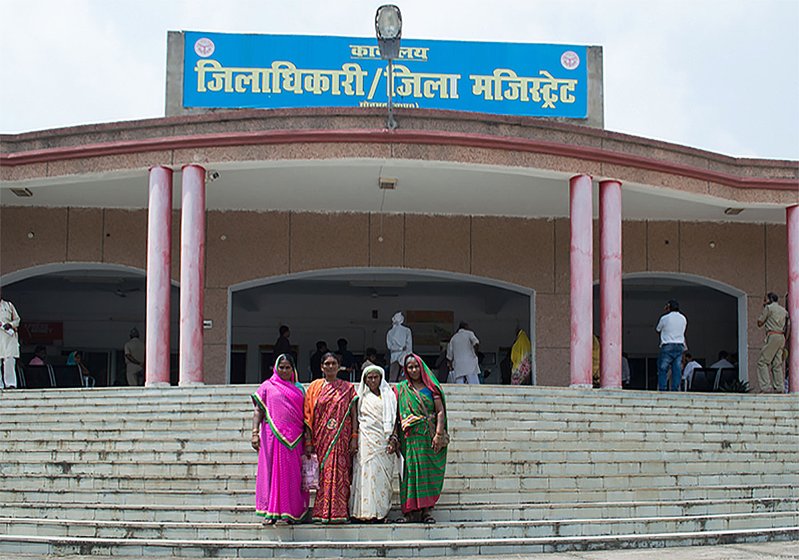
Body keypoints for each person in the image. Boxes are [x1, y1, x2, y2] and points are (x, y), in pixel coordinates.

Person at [250, 354, 309, 524]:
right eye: (281, 367)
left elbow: (306, 414)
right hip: (272, 436)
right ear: (276, 368)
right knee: (271, 473)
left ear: (293, 369)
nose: (284, 370)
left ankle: (291, 512)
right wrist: (255, 432)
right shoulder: (267, 386)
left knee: (292, 475)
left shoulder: (299, 388)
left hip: (296, 438)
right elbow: (258, 411)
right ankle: (271, 512)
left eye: (287, 367)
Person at [304, 352, 359, 523]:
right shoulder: (314, 387)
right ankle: (321, 512)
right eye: (326, 363)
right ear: (321, 367)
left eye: (333, 363)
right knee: (323, 474)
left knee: (340, 473)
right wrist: (309, 440)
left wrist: (354, 436)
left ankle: (340, 511)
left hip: (342, 438)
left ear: (339, 366)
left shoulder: (348, 388)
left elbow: (354, 414)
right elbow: (307, 416)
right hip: (321, 438)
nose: (330, 366)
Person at [396, 354, 448, 524]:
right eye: (410, 367)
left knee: (425, 474)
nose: (413, 370)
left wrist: (439, 434)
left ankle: (426, 511)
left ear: (422, 367)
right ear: (406, 370)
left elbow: (440, 411)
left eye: (416, 367)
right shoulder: (401, 389)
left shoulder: (431, 388)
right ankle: (410, 512)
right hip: (409, 439)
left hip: (427, 437)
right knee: (409, 474)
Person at [350, 364, 399, 523]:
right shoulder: (361, 397)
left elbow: (395, 419)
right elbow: (356, 419)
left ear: (381, 378)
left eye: (375, 377)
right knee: (366, 475)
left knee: (382, 478)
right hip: (366, 440)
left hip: (384, 441)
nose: (372, 380)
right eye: (369, 378)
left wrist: (393, 438)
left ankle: (381, 513)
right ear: (364, 380)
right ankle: (363, 513)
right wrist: (355, 437)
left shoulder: (389, 396)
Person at [756, 292, 789, 393]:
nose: (764, 301)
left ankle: (765, 387)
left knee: (762, 361)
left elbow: (760, 323)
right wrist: (785, 338)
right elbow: (788, 325)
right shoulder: (784, 310)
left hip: (773, 335)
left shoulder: (769, 308)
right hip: (781, 337)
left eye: (765, 299)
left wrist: (764, 310)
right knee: (777, 364)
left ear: (770, 299)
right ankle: (779, 388)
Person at [655, 299, 687, 391]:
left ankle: (662, 388)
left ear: (668, 307)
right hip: (679, 345)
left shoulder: (665, 318)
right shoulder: (683, 318)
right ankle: (675, 389)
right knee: (676, 369)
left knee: (663, 368)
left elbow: (658, 329)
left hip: (668, 345)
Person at [0, 291, 21, 390]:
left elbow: (17, 320)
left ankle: (10, 384)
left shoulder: (9, 305)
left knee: (9, 361)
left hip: (8, 338)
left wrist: (11, 325)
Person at [386, 312, 413, 382]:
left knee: (393, 377)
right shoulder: (407, 331)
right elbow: (409, 345)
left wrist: (398, 349)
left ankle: (392, 391)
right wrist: (409, 355)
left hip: (394, 357)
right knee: (405, 378)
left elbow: (389, 346)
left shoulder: (390, 332)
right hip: (405, 356)